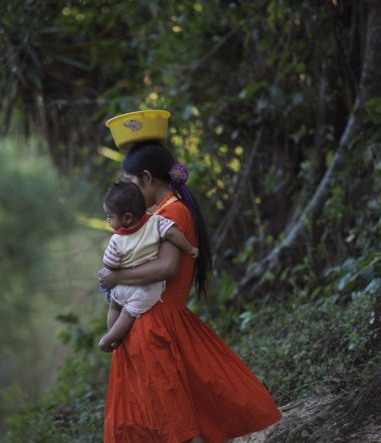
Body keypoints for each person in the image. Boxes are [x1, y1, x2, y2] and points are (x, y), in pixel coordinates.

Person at [99, 140, 282, 442]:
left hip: (154, 324)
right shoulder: (159, 216)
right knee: (173, 413)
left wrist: (115, 275)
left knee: (174, 419)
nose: (126, 195)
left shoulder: (173, 213)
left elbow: (167, 268)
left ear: (147, 178)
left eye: (130, 183)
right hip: (153, 321)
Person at [98, 180, 199, 353]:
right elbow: (174, 234)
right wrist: (190, 248)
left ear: (127, 217)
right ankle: (111, 338)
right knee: (128, 313)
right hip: (148, 289)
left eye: (110, 216)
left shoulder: (116, 239)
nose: (108, 220)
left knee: (115, 306)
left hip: (126, 284)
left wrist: (110, 273)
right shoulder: (157, 221)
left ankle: (111, 337)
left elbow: (110, 264)